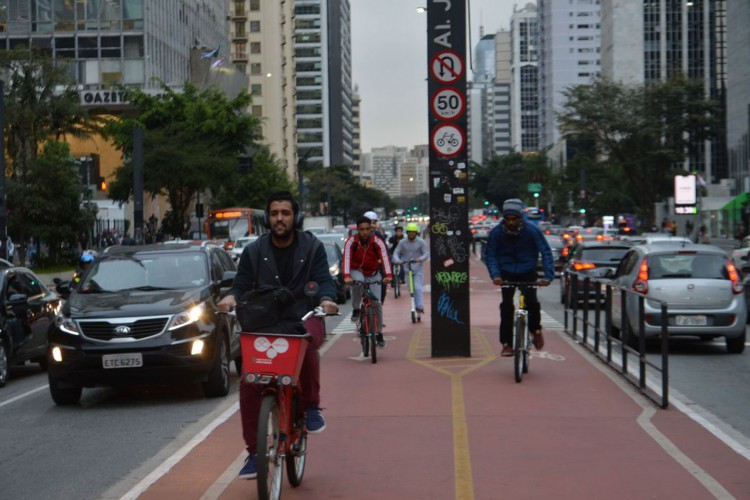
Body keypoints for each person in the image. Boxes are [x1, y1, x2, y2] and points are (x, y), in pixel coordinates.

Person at [216, 191, 338, 480]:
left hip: (304, 316)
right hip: (265, 321)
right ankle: (254, 452)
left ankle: (310, 407)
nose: (279, 218)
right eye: (274, 214)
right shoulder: (254, 251)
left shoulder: (312, 247)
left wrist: (327, 300)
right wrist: (232, 298)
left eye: (285, 213)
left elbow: (324, 280)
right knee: (249, 381)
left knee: (305, 343)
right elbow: (241, 284)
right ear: (267, 218)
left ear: (295, 217)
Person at [484, 198, 555, 357]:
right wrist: (495, 275)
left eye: (514, 219)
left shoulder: (532, 231)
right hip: (506, 273)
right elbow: (490, 255)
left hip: (527, 270)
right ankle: (506, 343)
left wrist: (548, 276)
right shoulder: (497, 233)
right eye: (507, 219)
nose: (510, 222)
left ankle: (536, 330)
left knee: (532, 302)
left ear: (520, 218)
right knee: (507, 306)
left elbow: (546, 252)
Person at [343, 215, 393, 348]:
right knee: (357, 282)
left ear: (371, 228)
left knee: (377, 303)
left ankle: (379, 334)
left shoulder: (378, 241)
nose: (365, 232)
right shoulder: (351, 242)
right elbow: (346, 258)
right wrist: (347, 275)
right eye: (362, 229)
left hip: (373, 273)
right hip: (357, 270)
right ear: (357, 230)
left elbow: (385, 258)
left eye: (367, 229)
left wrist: (388, 275)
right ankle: (356, 309)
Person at [392, 222, 430, 314]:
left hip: (418, 269)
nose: (411, 234)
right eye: (409, 232)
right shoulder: (402, 242)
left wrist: (420, 259)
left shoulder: (421, 242)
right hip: (406, 269)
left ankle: (419, 306)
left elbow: (426, 253)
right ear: (407, 232)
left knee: (417, 288)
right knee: (411, 289)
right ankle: (415, 304)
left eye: (413, 232)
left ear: (416, 233)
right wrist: (397, 260)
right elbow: (396, 253)